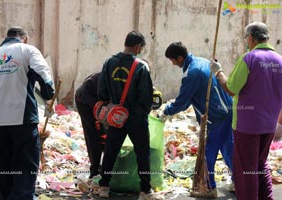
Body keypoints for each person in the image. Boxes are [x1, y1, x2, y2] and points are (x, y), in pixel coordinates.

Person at [211, 22, 282, 200]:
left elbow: (231, 88)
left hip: (247, 126)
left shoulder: (250, 58)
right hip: (270, 125)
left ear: (250, 38)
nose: (246, 42)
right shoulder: (280, 60)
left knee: (247, 169)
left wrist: (218, 72)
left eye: (245, 38)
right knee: (260, 164)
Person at [0, 26, 54, 199]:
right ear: (25, 38)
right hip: (22, 122)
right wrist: (47, 93)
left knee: (3, 169)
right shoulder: (27, 50)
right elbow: (45, 79)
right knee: (24, 167)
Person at [159, 41, 234, 198]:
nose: (172, 64)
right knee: (228, 148)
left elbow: (183, 100)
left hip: (215, 117)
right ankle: (239, 181)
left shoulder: (191, 73)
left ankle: (209, 188)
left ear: (179, 58)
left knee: (207, 152)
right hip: (228, 110)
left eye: (172, 60)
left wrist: (166, 112)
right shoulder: (202, 61)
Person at [97, 31, 163, 200]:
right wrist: (141, 113)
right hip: (136, 119)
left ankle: (104, 186)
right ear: (138, 46)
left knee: (110, 151)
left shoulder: (109, 63)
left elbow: (102, 92)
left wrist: (115, 105)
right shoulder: (141, 66)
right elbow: (146, 96)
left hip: (116, 117)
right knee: (142, 153)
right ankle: (145, 190)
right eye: (141, 47)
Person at [75, 72, 106, 179]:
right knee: (94, 133)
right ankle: (95, 170)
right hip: (86, 99)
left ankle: (103, 166)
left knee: (103, 133)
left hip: (98, 100)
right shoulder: (117, 75)